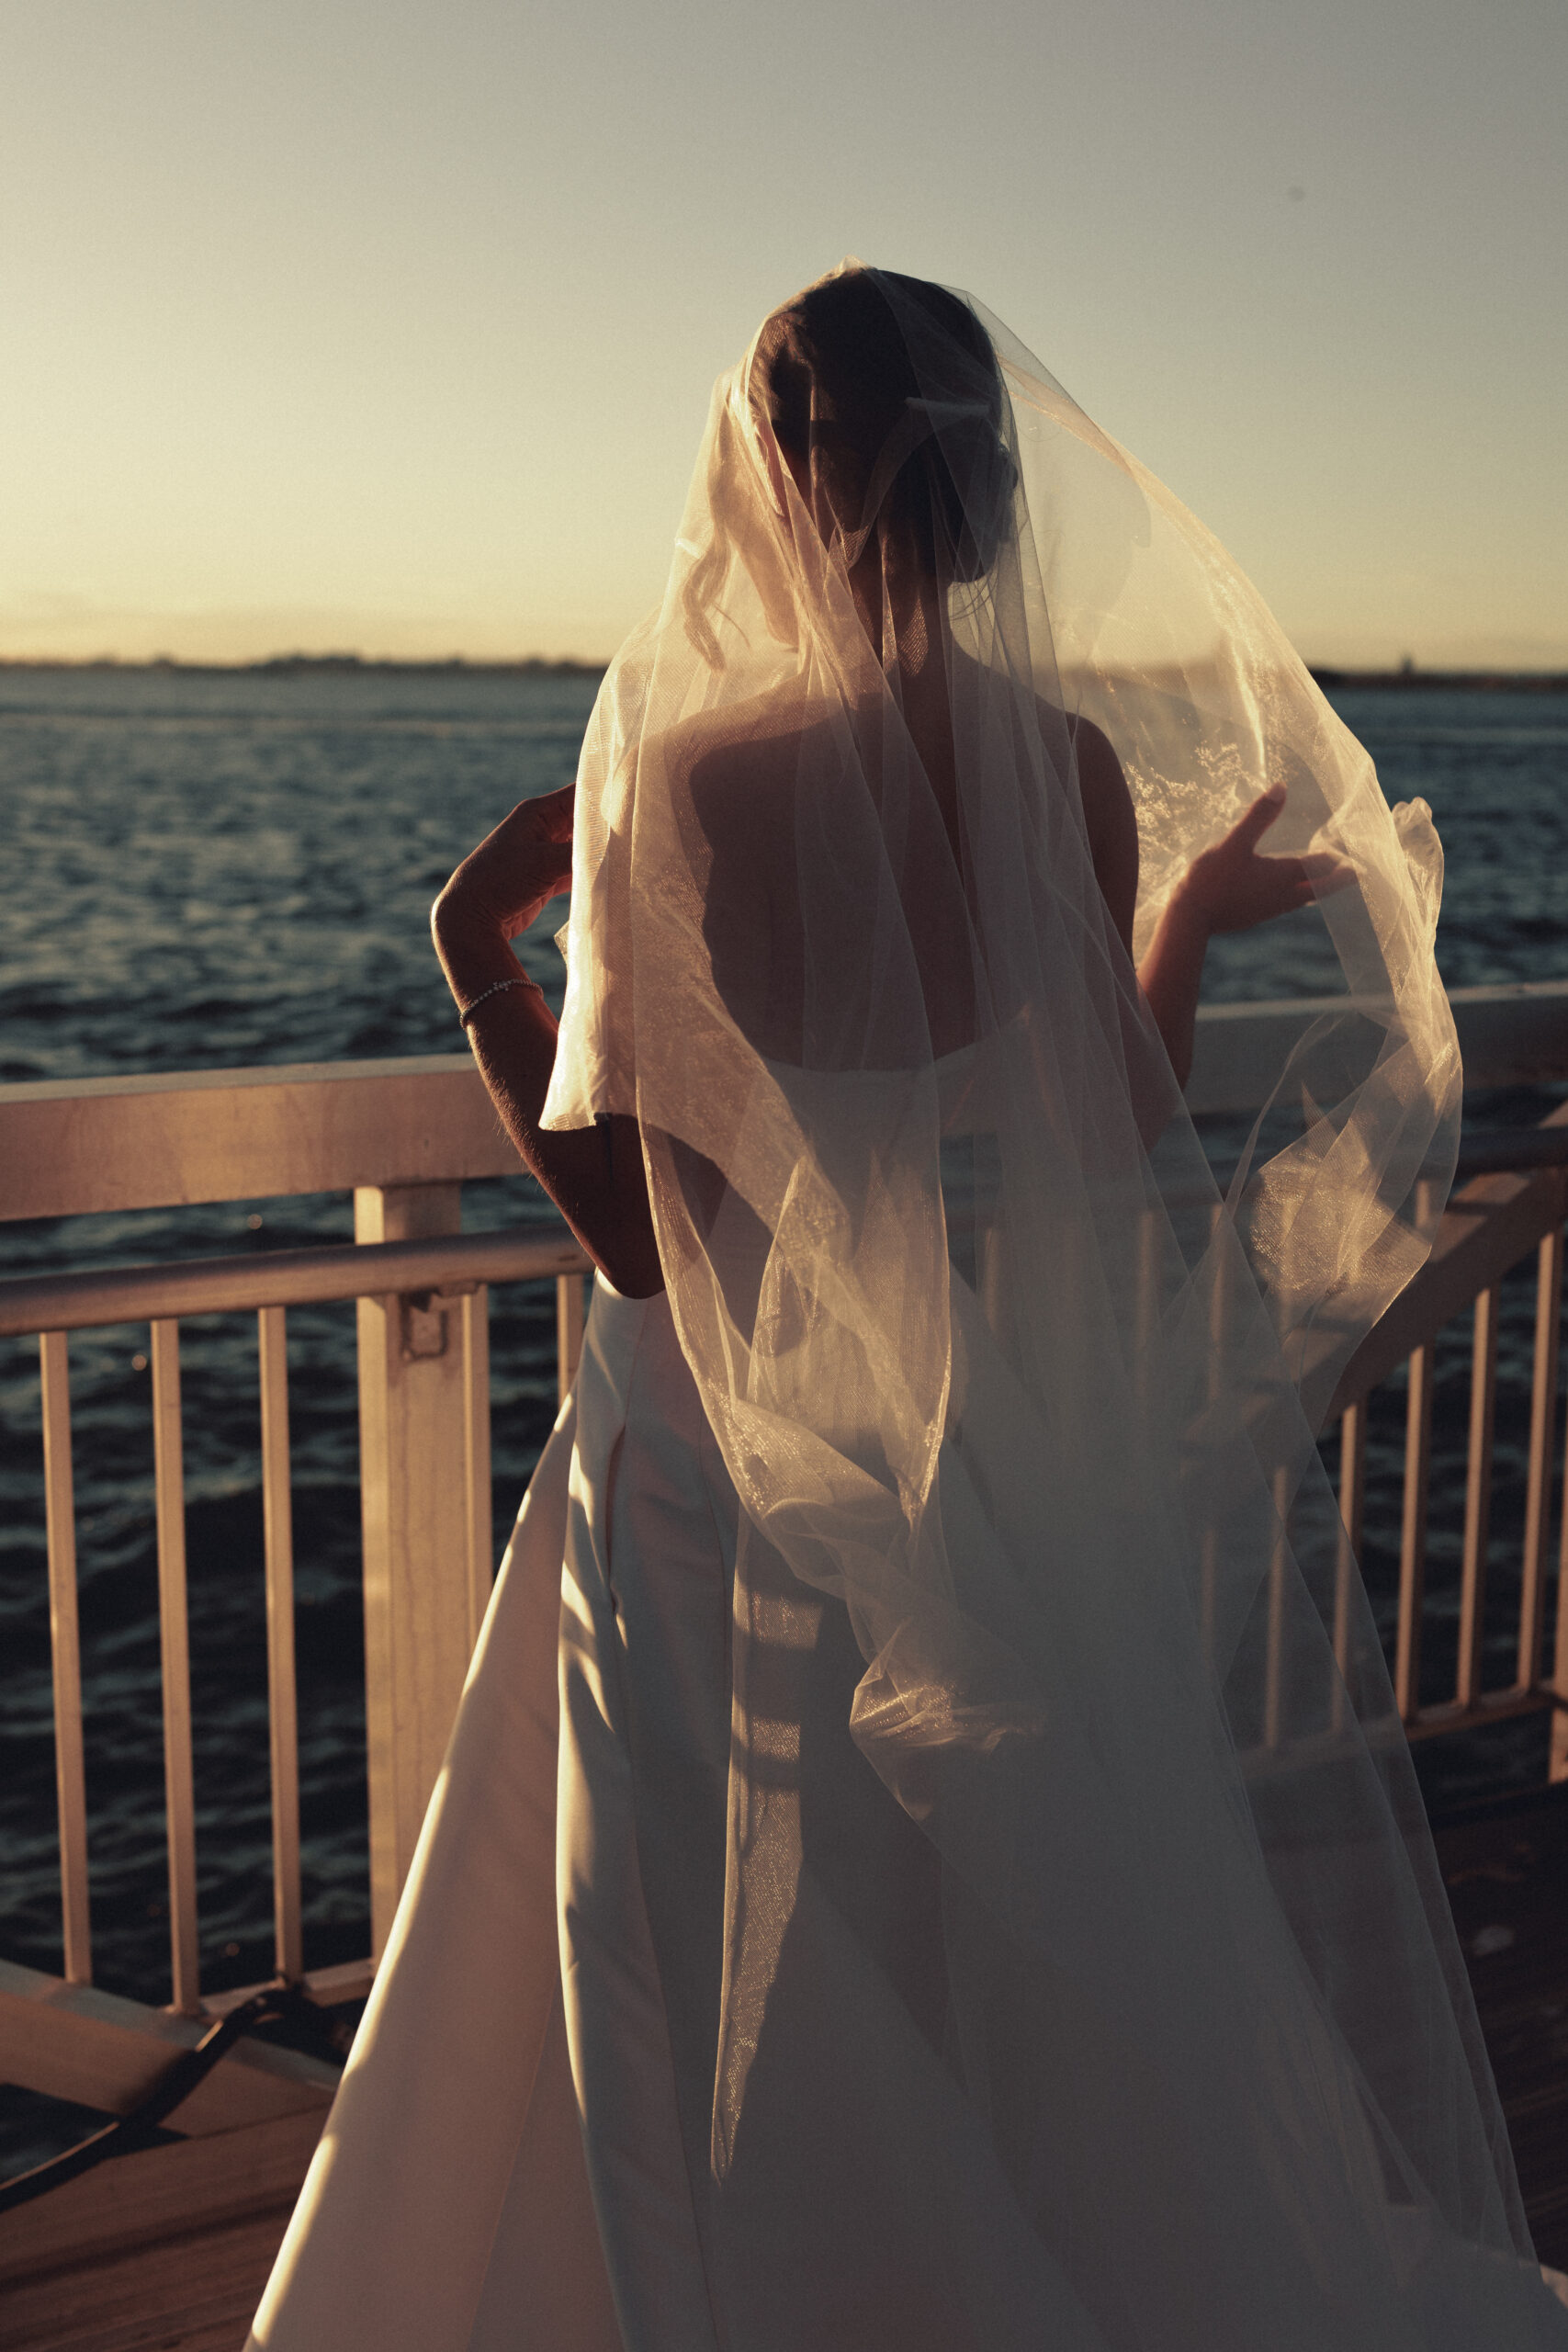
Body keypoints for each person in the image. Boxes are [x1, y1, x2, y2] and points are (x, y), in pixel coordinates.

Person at [249, 266, 1568, 2350]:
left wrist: (471, 955)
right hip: (953, 1459)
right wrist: (1188, 920)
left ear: (779, 463)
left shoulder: (677, 785)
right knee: (954, 1942)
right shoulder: (1065, 774)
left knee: (688, 1959)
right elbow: (1121, 1117)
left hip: (701, 1453)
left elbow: (622, 1231)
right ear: (983, 490)